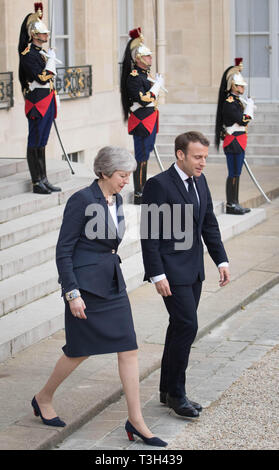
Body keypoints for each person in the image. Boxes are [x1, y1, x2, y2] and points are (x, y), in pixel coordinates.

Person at [31, 146, 167, 448]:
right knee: (79, 350)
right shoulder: (81, 200)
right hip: (85, 288)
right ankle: (43, 397)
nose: (126, 181)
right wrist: (72, 293)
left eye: (128, 175)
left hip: (112, 284)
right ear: (104, 172)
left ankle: (136, 420)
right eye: (122, 175)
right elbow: (63, 250)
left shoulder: (116, 199)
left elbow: (110, 244)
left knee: (129, 348)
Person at [140, 131, 230, 418]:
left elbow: (209, 225)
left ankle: (167, 390)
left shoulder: (200, 181)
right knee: (188, 325)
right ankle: (178, 394)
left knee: (179, 327)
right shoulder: (158, 185)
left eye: (205, 157)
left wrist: (221, 261)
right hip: (170, 271)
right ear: (180, 154)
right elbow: (149, 233)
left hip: (194, 271)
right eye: (197, 157)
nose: (203, 162)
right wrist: (156, 274)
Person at [18, 2, 61, 194]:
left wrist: (49, 58)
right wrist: (51, 62)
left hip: (47, 100)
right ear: (34, 35)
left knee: (43, 141)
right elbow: (41, 77)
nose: (47, 36)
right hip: (37, 102)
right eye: (44, 34)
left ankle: (44, 178)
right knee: (35, 140)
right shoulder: (28, 54)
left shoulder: (42, 53)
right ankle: (36, 181)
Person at [120, 27, 164, 204]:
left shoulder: (146, 75)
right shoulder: (134, 77)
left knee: (146, 155)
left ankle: (143, 188)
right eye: (147, 56)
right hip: (141, 121)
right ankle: (139, 192)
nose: (150, 58)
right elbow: (144, 100)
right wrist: (156, 87)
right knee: (141, 157)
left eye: (150, 56)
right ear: (138, 59)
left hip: (149, 120)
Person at [215, 58, 255, 215]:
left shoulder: (236, 101)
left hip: (238, 141)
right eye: (239, 86)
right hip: (234, 142)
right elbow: (243, 120)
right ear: (233, 86)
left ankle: (235, 202)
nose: (242, 88)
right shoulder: (230, 102)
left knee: (236, 173)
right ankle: (231, 204)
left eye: (242, 86)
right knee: (233, 173)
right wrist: (250, 108)